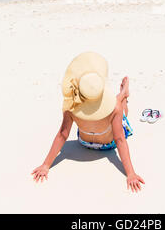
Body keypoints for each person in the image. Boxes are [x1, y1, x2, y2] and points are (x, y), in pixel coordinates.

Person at [31, 52, 145, 192]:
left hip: (83, 142)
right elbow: (120, 139)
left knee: (117, 108)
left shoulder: (71, 106)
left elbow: (62, 135)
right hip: (109, 145)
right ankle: (123, 95)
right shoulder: (114, 108)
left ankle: (122, 95)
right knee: (122, 111)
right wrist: (130, 173)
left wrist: (45, 165)